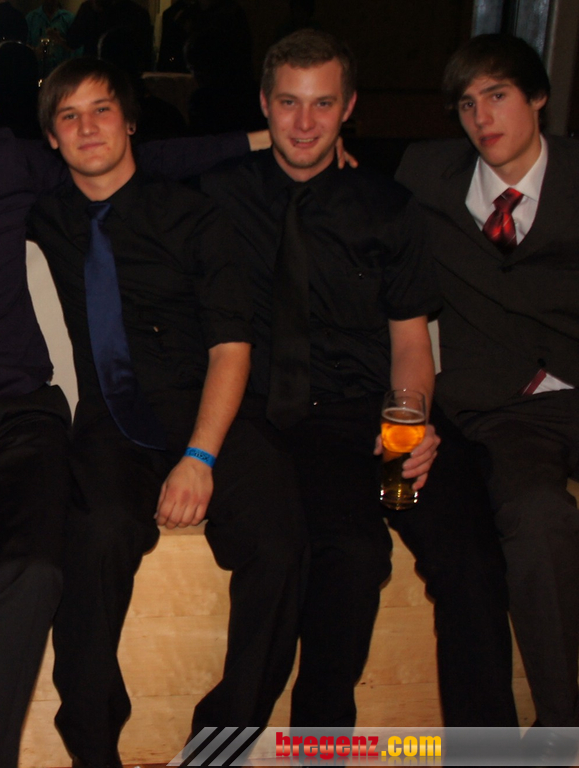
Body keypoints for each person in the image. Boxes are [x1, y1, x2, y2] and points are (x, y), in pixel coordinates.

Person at [0, 28, 274, 768]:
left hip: (23, 409)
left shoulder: (16, 166)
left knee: (37, 572)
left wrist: (276, 139)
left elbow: (147, 157)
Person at [201, 29, 517, 728]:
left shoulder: (388, 206)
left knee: (470, 557)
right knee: (351, 555)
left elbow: (411, 342)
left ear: (348, 108)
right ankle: (320, 743)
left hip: (384, 410)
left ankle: (487, 750)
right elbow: (115, 165)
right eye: (289, 102)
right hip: (292, 422)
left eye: (323, 104)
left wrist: (414, 419)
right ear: (265, 104)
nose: (304, 123)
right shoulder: (219, 196)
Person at [28, 58, 307, 768]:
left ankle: (221, 744)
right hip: (109, 419)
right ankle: (93, 745)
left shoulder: (194, 215)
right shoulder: (45, 214)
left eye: (102, 110)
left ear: (129, 122)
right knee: (95, 535)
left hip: (206, 407)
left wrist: (201, 456)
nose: (88, 128)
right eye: (68, 116)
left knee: (280, 541)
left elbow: (231, 347)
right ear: (52, 138)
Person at [396, 35, 579, 729]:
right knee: (536, 518)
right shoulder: (425, 176)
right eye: (468, 104)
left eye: (497, 96)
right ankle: (561, 728)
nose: (482, 118)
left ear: (538, 97)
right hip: (504, 410)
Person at [27, 0, 75, 76]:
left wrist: (60, 40)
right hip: (36, 72)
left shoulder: (68, 19)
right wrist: (35, 52)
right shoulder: (31, 18)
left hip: (62, 74)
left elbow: (76, 50)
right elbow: (25, 47)